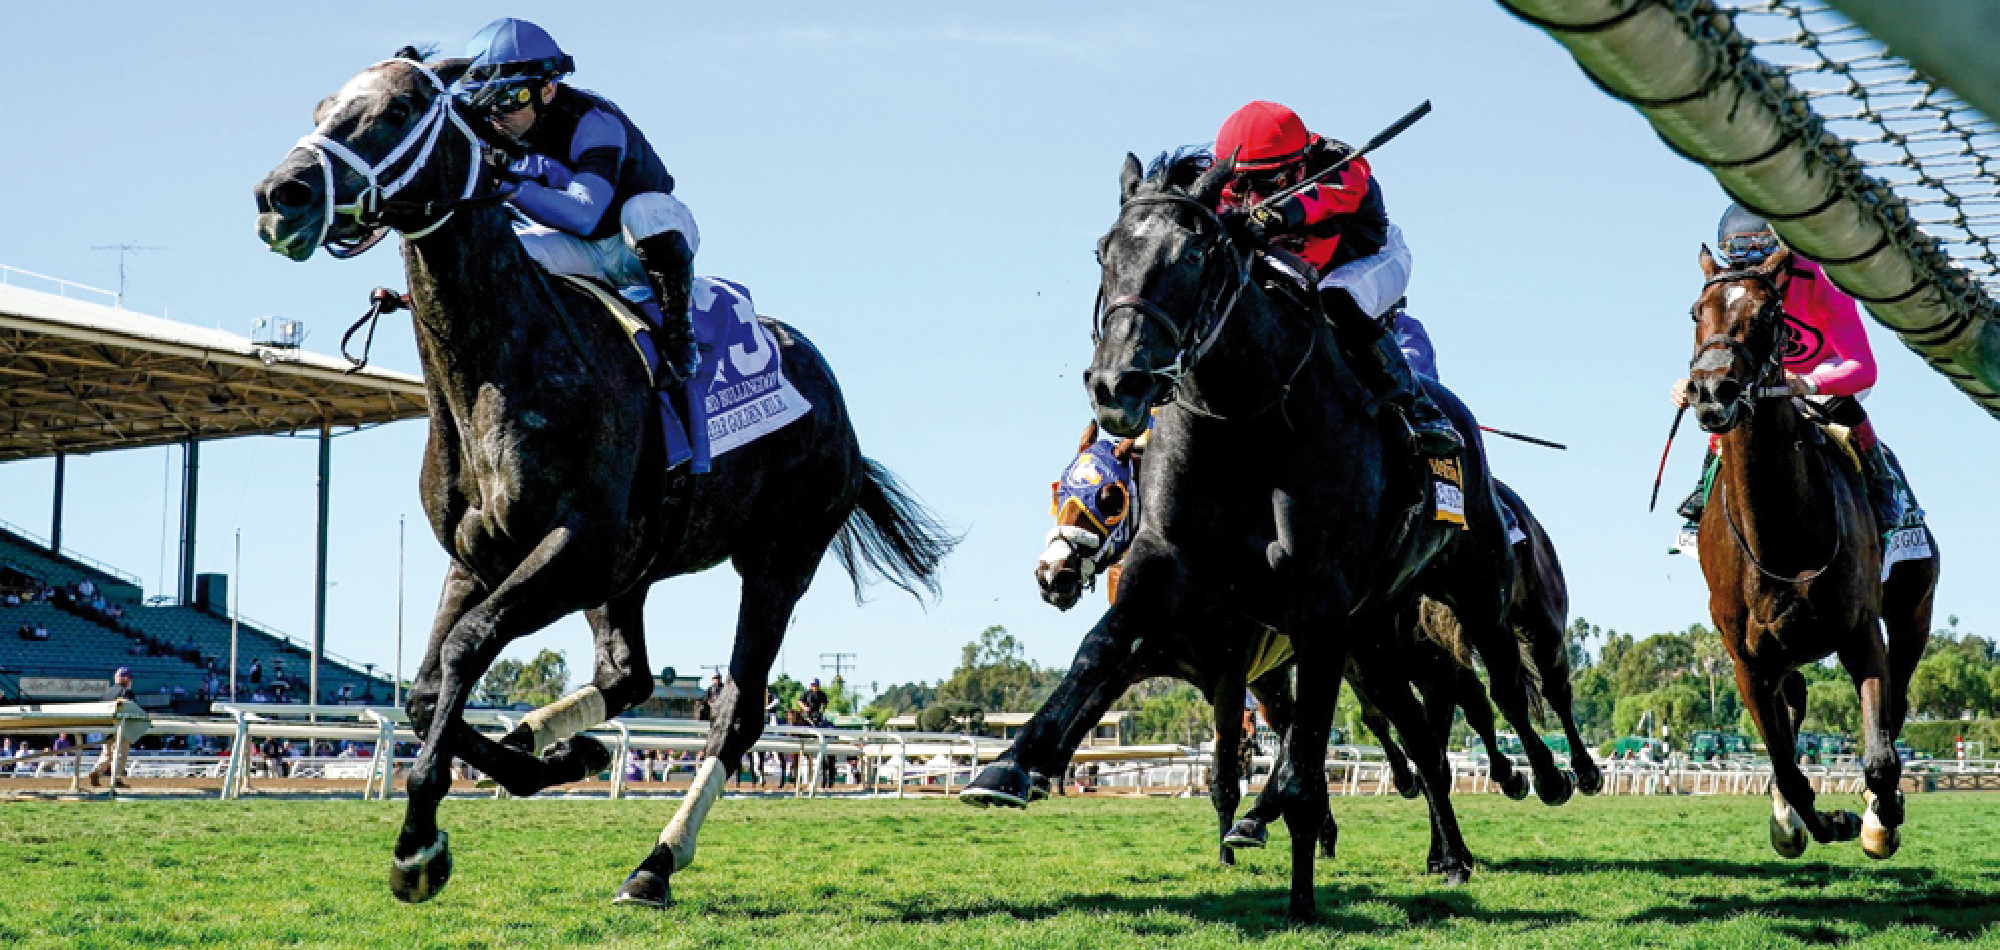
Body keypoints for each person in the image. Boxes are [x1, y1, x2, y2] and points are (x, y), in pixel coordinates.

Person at [453, 17, 702, 386]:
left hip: (633, 243)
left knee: (644, 212)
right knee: (502, 253)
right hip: (580, 250)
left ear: (548, 89)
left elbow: (585, 214)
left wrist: (512, 188)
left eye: (510, 98)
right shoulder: (491, 129)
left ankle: (680, 337)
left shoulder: (594, 121)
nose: (496, 115)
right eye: (484, 103)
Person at [1213, 100, 1461, 460]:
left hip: (1369, 259)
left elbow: (1328, 197)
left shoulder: (1340, 164)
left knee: (1335, 300)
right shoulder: (1224, 183)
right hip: (1301, 266)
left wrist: (1278, 214)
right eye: (1239, 185)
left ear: (1300, 163)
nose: (1251, 195)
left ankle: (1419, 409)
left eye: (1267, 181)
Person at [1670, 203, 1912, 538]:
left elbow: (1863, 369)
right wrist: (1690, 384)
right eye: (1741, 249)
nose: (1755, 260)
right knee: (1730, 403)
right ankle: (1704, 489)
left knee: (1837, 404)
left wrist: (1809, 382)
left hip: (1826, 369)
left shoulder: (1822, 280)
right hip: (1762, 371)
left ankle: (1881, 483)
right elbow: (1716, 354)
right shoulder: (1726, 292)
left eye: (1763, 248)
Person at [86, 667, 135, 788]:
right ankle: (116, 778)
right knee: (121, 754)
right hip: (119, 729)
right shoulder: (126, 693)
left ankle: (96, 771)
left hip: (106, 729)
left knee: (106, 754)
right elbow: (131, 711)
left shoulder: (106, 694)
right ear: (126, 679)